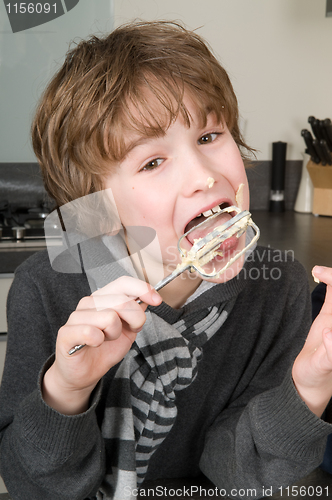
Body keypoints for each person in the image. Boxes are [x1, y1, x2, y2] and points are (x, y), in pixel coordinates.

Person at [0, 20, 332, 500]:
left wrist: (309, 386)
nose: (202, 176)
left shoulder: (279, 289)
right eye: (152, 162)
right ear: (100, 208)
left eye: (209, 136)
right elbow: (30, 484)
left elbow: (236, 473)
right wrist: (66, 391)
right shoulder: (45, 288)